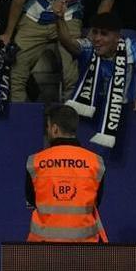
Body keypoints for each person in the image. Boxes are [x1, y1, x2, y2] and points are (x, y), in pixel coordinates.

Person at [25, 104, 108, 243]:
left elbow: (31, 199)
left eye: (48, 127)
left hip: (42, 249)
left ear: (54, 129)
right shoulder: (95, 162)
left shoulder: (35, 162)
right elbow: (96, 201)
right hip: (85, 249)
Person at [55, 10, 136, 139]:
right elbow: (68, 42)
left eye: (104, 34)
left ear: (117, 36)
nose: (97, 39)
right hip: (90, 117)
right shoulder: (88, 48)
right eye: (95, 32)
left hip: (125, 115)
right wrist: (60, 18)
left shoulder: (133, 50)